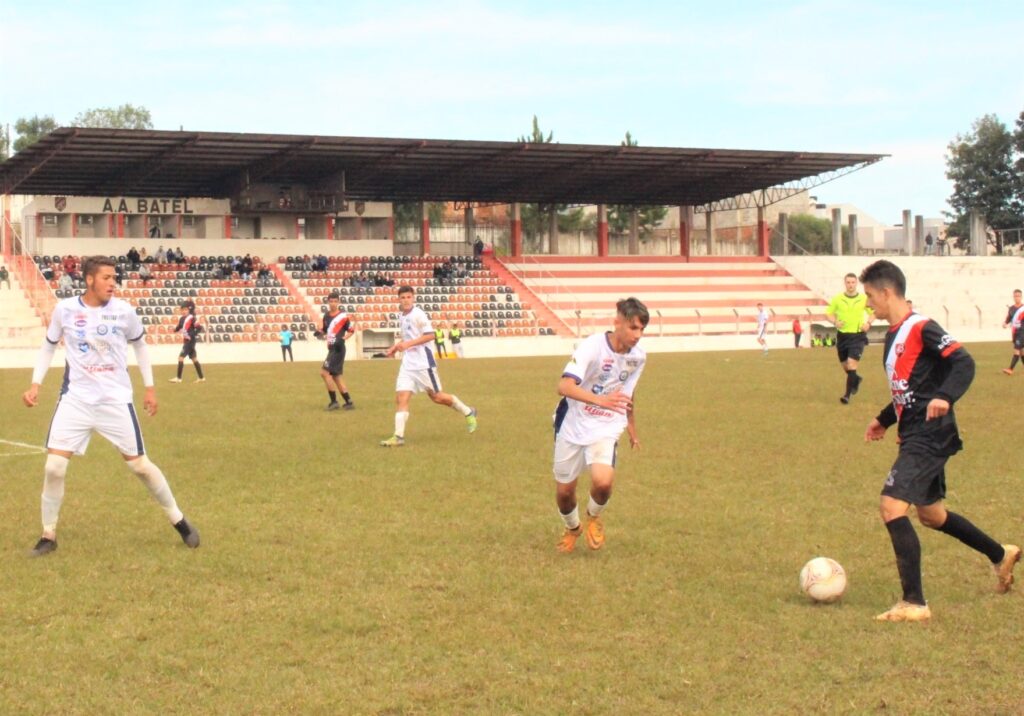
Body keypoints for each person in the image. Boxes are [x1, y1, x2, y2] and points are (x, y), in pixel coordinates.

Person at [860, 259, 1019, 622]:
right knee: (931, 515)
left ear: (887, 292)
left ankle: (913, 603)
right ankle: (1000, 554)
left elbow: (964, 363)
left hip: (930, 433)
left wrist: (946, 396)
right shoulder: (894, 334)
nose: (869, 303)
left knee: (891, 506)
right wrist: (884, 419)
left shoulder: (922, 327)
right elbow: (911, 389)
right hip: (914, 431)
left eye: (870, 296)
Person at [21, 255, 200, 556]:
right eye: (106, 278)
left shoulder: (124, 311)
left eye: (114, 278)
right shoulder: (65, 310)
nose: (112, 283)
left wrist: (150, 388)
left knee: (140, 466)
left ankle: (179, 520)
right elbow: (49, 346)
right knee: (54, 466)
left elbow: (140, 346)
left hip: (115, 401)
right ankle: (48, 535)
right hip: (75, 400)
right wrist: (36, 383)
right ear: (89, 280)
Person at [553, 297, 648, 553]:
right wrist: (601, 400)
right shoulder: (592, 347)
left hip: (606, 425)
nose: (638, 335)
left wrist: (631, 426)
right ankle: (573, 528)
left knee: (603, 481)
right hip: (573, 422)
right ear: (617, 322)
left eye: (641, 329)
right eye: (633, 328)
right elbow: (564, 386)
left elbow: (627, 392)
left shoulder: (638, 357)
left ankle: (594, 517)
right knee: (564, 494)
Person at [379, 285, 477, 447]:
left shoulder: (419, 315)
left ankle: (468, 411)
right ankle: (398, 436)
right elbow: (407, 337)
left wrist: (408, 344)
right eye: (402, 297)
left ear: (413, 298)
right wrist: (395, 347)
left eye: (408, 297)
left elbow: (430, 335)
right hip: (408, 364)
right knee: (401, 397)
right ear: (399, 299)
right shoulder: (402, 316)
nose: (405, 300)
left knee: (437, 397)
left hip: (423, 363)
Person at [825, 272, 874, 405]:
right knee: (846, 367)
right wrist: (835, 322)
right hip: (842, 336)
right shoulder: (838, 299)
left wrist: (868, 323)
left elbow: (873, 312)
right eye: (848, 282)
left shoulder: (864, 299)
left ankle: (846, 396)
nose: (850, 285)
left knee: (852, 364)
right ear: (845, 283)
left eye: (853, 282)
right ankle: (856, 379)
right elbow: (828, 314)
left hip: (857, 336)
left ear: (856, 283)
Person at [315, 293, 355, 410]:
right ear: (328, 302)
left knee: (324, 373)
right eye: (331, 301)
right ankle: (348, 401)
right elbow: (325, 329)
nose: (333, 303)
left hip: (338, 348)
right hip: (331, 348)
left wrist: (344, 338)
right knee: (336, 376)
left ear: (338, 302)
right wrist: (320, 332)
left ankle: (334, 402)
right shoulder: (326, 316)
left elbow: (351, 330)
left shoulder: (343, 316)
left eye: (335, 301)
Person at [168, 301, 205, 383]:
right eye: (182, 310)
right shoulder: (182, 319)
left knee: (180, 358)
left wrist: (192, 334)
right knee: (194, 359)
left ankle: (178, 378)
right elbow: (179, 327)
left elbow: (199, 327)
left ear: (189, 310)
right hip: (186, 341)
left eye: (185, 309)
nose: (184, 311)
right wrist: (174, 330)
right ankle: (201, 378)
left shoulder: (192, 318)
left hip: (190, 341)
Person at [1001, 289, 1024, 375]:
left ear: (1021, 297)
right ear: (1013, 297)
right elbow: (1008, 318)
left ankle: (1010, 369)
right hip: (1015, 333)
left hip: (1022, 333)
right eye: (1015, 296)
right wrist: (1005, 323)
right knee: (1021, 352)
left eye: (1018, 296)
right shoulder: (1011, 308)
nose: (1017, 297)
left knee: (1016, 351)